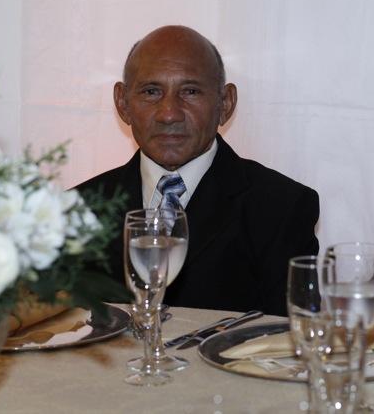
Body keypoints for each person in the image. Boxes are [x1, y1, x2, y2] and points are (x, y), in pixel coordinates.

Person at [76, 25, 319, 316]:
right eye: (151, 92)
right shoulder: (76, 210)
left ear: (225, 103)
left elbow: (290, 335)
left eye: (190, 92)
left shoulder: (282, 208)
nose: (169, 113)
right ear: (122, 103)